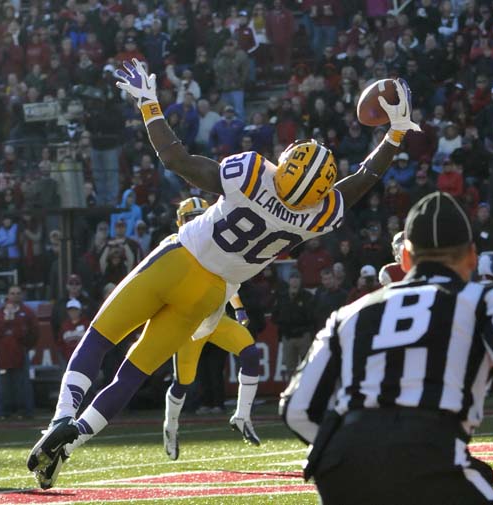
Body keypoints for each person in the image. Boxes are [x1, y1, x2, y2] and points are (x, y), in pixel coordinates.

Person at [27, 62, 420, 489]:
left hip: (179, 261)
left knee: (100, 339)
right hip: (210, 295)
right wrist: (394, 134)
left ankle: (63, 417)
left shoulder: (252, 173)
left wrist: (149, 105)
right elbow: (364, 178)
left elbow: (175, 158)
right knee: (132, 374)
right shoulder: (315, 216)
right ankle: (70, 444)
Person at [281, 191, 493, 505]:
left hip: (341, 470)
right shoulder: (480, 301)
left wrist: (350, 451)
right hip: (430, 455)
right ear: (471, 256)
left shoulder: (350, 314)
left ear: (405, 259)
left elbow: (296, 408)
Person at [163, 197, 262, 460]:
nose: (195, 222)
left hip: (214, 319)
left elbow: (229, 279)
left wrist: (238, 307)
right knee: (183, 382)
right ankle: (171, 427)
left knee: (250, 354)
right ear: (179, 222)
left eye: (200, 216)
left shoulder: (220, 245)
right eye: (190, 218)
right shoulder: (171, 248)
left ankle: (242, 416)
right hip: (186, 325)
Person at [0, 285, 39, 420]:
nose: (15, 296)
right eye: (12, 293)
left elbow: (34, 332)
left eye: (18, 293)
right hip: (3, 355)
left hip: (21, 353)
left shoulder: (27, 312)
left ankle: (25, 410)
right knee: (4, 385)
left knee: (22, 383)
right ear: (8, 296)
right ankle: (4, 411)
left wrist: (26, 345)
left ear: (21, 295)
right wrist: (6, 322)